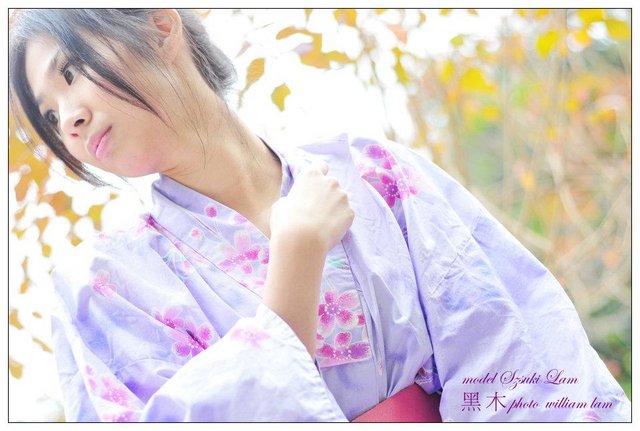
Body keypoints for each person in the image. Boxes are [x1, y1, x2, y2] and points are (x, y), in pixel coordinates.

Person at [9, 9, 631, 422]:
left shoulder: (372, 172)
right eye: (50, 114)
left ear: (159, 28)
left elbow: (515, 348)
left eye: (71, 73)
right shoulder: (101, 286)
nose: (69, 119)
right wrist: (297, 261)